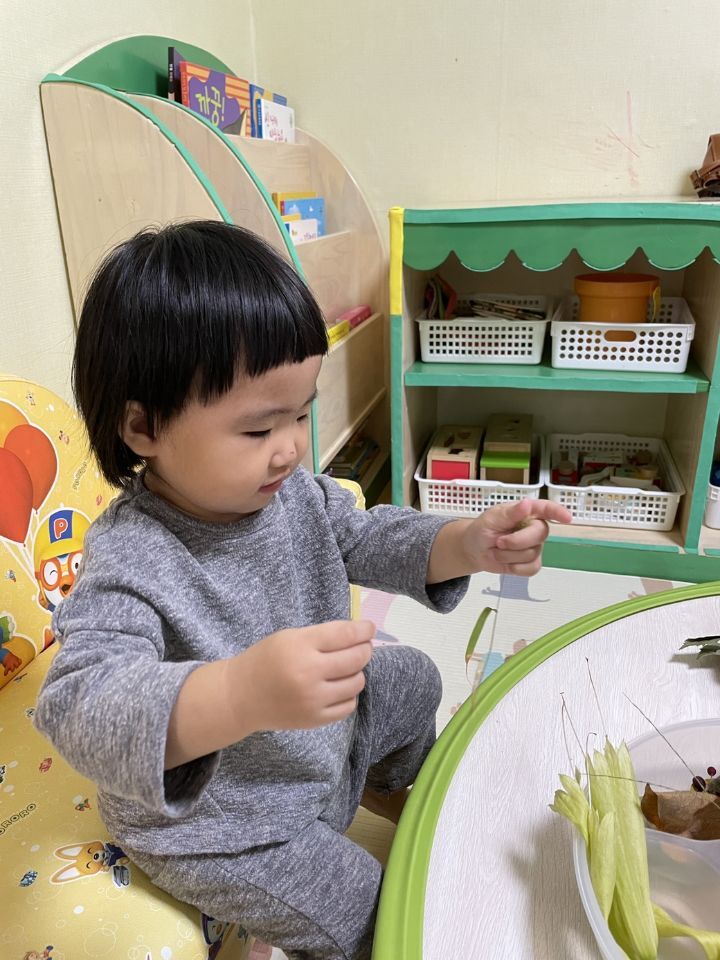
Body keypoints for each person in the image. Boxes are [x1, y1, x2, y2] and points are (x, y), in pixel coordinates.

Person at [34, 221, 571, 960]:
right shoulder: (132, 557)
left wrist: (464, 542)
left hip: (312, 752)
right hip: (227, 825)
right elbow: (77, 702)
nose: (290, 447)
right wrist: (236, 693)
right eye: (258, 430)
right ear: (143, 426)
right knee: (375, 910)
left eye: (299, 413)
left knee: (412, 677)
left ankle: (416, 800)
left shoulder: (288, 494)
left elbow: (366, 536)